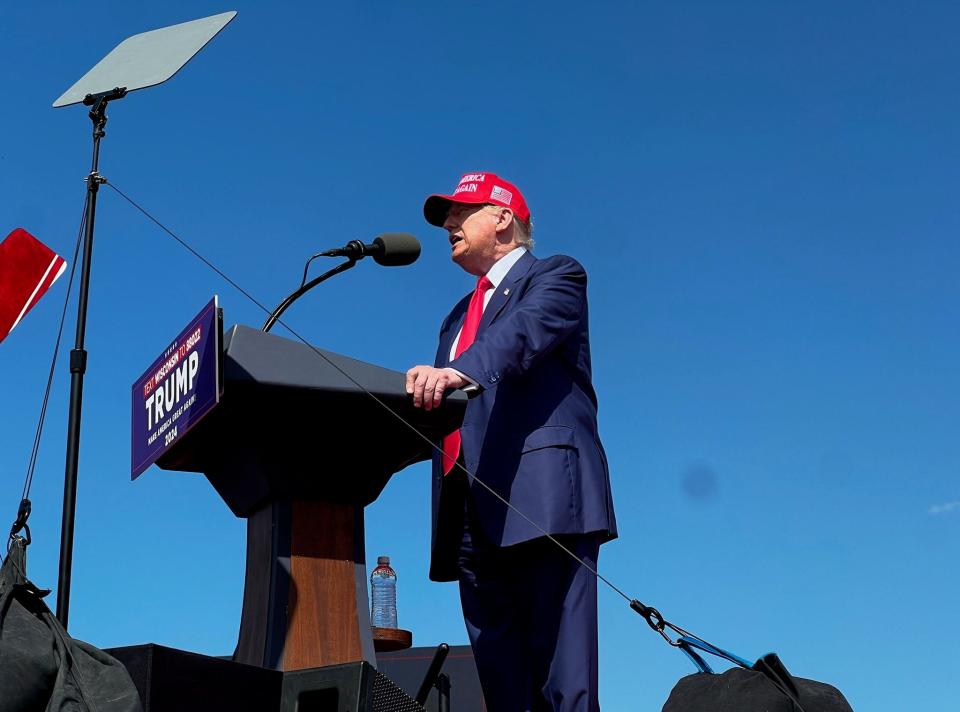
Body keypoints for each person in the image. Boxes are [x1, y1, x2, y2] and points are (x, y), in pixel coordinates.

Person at [406, 172, 618, 712]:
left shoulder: (556, 276)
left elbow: (522, 333)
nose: (449, 224)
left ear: (502, 217)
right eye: (446, 216)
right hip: (468, 514)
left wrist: (457, 372)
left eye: (461, 211)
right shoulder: (454, 317)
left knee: (562, 682)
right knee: (504, 689)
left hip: (542, 499)